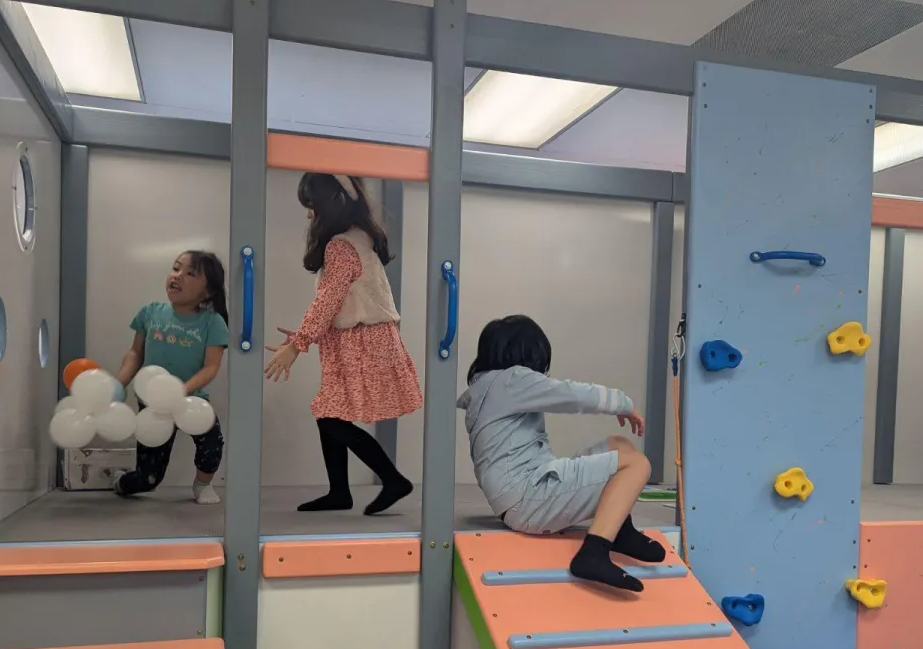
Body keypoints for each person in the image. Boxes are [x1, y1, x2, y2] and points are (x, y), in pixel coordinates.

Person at [457, 315, 665, 592]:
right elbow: (570, 394)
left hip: (521, 498)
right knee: (638, 465)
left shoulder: (488, 389)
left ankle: (620, 530)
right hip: (528, 500)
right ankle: (594, 552)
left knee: (620, 445)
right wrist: (623, 404)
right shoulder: (510, 380)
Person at [264, 172, 422, 515]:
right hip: (365, 338)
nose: (309, 214)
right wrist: (302, 336)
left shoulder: (341, 246)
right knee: (329, 413)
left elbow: (328, 301)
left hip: (361, 340)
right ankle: (341, 491)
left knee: (331, 416)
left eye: (312, 205)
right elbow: (339, 302)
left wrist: (298, 344)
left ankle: (391, 480)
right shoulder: (361, 238)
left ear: (332, 203)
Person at [113, 250, 229, 505]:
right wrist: (118, 383)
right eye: (176, 268)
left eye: (190, 273)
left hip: (192, 399)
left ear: (208, 291)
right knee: (148, 479)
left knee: (212, 443)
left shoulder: (213, 323)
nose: (177, 276)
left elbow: (211, 367)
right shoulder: (150, 312)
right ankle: (121, 482)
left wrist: (182, 390)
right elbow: (135, 353)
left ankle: (203, 484)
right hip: (152, 402)